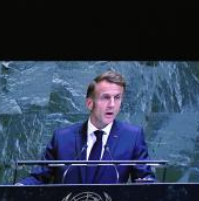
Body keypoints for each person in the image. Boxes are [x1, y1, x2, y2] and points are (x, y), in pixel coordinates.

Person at [19, 71, 155, 186]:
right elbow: (39, 177)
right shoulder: (62, 138)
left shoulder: (132, 136)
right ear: (90, 103)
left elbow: (144, 179)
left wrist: (153, 187)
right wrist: (18, 187)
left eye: (117, 98)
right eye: (106, 97)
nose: (112, 105)